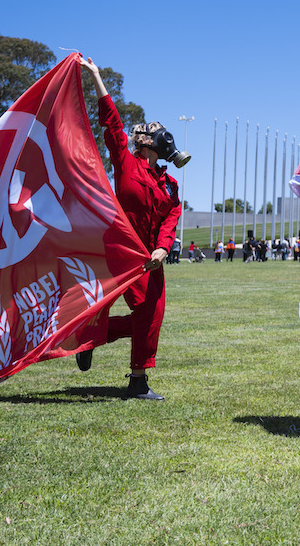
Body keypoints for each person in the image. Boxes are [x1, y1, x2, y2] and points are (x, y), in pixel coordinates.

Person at [76, 57, 186, 401]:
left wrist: (164, 248)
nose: (165, 138)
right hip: (123, 251)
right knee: (145, 312)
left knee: (151, 316)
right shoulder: (126, 163)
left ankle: (96, 338)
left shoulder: (170, 182)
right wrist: (96, 76)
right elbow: (111, 124)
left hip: (153, 257)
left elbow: (172, 215)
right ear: (146, 143)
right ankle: (129, 373)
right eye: (158, 134)